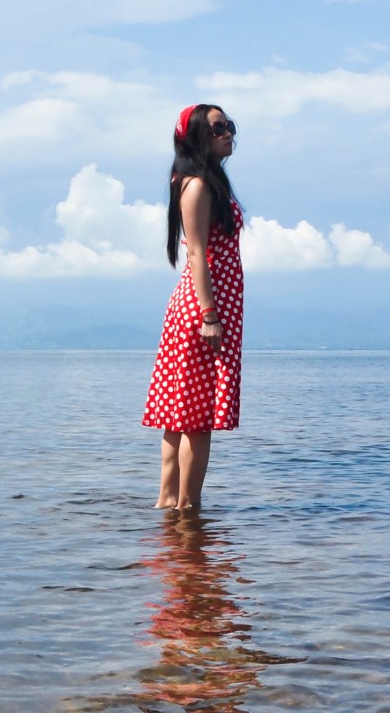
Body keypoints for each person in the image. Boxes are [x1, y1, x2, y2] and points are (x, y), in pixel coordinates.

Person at [142, 103, 244, 510]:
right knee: (197, 420)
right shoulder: (197, 185)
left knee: (180, 414)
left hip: (204, 306)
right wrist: (210, 317)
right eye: (217, 128)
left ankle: (170, 507)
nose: (227, 134)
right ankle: (187, 511)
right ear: (196, 136)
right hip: (204, 308)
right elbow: (198, 254)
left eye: (229, 126)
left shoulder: (201, 181)